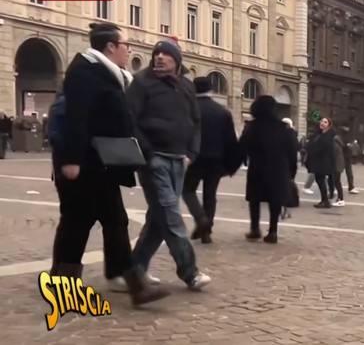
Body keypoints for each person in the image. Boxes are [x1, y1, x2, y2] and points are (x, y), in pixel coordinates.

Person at [49, 22, 169, 305]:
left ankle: (131, 282)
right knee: (77, 222)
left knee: (115, 221)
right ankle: (64, 281)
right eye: (126, 45)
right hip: (85, 162)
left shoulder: (107, 74)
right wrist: (71, 160)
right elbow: (78, 117)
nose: (129, 51)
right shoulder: (84, 72)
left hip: (101, 162)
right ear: (111, 47)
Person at [126, 39, 210, 290]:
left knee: (158, 218)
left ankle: (135, 270)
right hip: (155, 161)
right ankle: (190, 272)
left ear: (176, 59)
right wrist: (148, 153)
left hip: (179, 160)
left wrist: (191, 153)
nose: (160, 57)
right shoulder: (142, 82)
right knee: (171, 216)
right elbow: (129, 120)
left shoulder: (185, 85)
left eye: (166, 54)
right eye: (156, 53)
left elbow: (195, 121)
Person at [183, 77, 241, 244]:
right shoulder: (222, 112)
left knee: (188, 190)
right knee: (210, 194)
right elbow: (231, 141)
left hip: (194, 159)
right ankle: (207, 231)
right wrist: (231, 165)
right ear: (211, 89)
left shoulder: (189, 109)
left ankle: (200, 218)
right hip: (216, 160)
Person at [239, 96, 298, 243]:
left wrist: (237, 162)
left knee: (255, 199)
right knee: (275, 200)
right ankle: (273, 231)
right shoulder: (284, 129)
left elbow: (242, 147)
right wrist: (291, 172)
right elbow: (292, 152)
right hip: (278, 170)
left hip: (257, 168)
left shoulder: (252, 127)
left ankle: (255, 228)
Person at [306, 117, 336, 208]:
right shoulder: (318, 134)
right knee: (319, 180)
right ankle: (324, 200)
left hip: (323, 162)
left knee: (321, 180)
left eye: (325, 122)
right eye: (322, 121)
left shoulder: (329, 136)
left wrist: (314, 150)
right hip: (317, 161)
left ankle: (325, 200)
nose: (322, 123)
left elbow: (323, 148)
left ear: (329, 125)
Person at [281, 118, 298, 219]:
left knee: (285, 186)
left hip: (285, 164)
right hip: (289, 164)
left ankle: (287, 207)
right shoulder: (292, 135)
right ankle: (288, 207)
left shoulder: (288, 135)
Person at [339, 126, 359, 194]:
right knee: (338, 173)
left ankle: (351, 187)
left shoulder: (346, 137)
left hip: (346, 157)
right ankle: (350, 187)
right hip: (342, 157)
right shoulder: (341, 137)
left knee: (348, 173)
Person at [331, 130, 346, 207]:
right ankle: (339, 198)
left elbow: (333, 154)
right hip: (339, 164)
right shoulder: (338, 142)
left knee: (337, 182)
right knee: (337, 182)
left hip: (337, 165)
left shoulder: (335, 143)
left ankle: (341, 199)